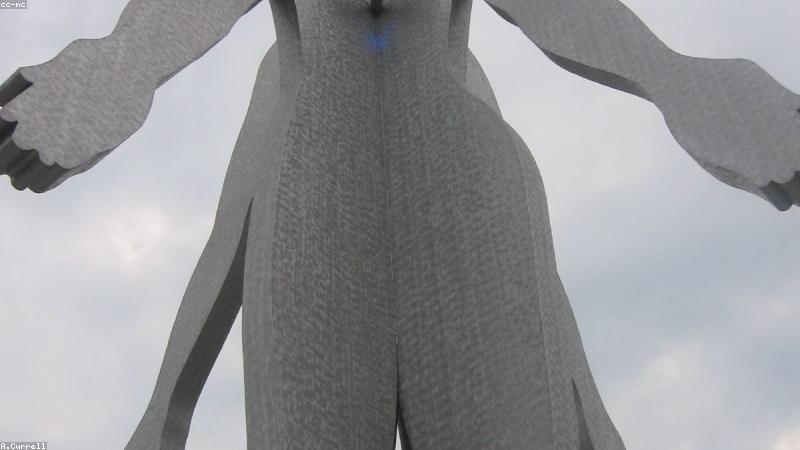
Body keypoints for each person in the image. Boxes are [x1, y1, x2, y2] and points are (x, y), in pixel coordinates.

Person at [0, 0, 797, 448]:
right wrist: (107, 72)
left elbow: (565, 12)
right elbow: (227, 222)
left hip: (465, 193)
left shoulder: (468, 92)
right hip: (315, 202)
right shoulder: (281, 92)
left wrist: (689, 86)